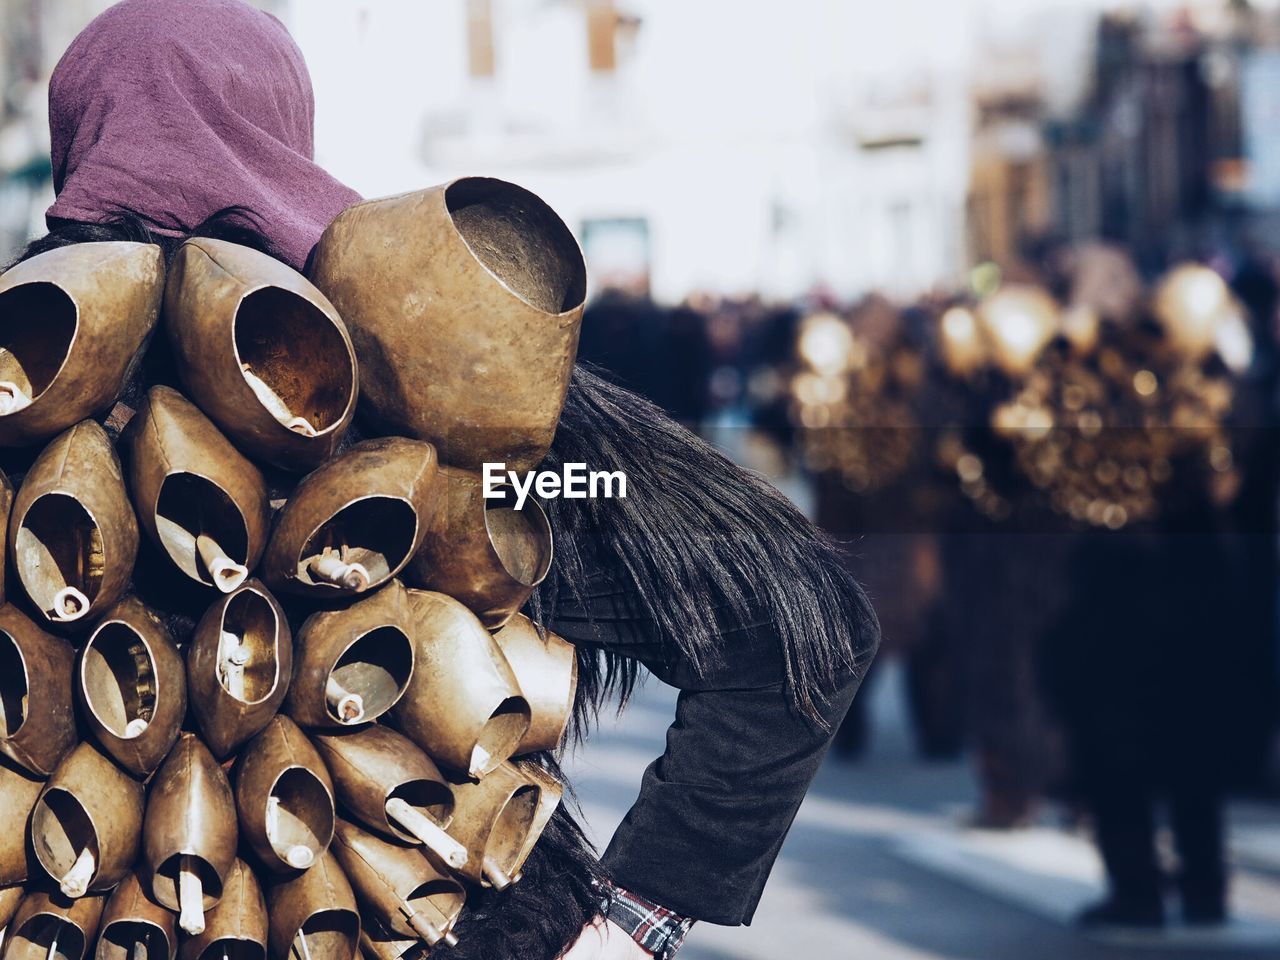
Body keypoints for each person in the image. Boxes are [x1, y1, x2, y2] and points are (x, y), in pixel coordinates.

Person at [29, 2, 880, 958]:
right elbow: (784, 604)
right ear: (281, 128)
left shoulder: (26, 370)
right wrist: (634, 921)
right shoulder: (439, 388)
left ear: (79, 134)